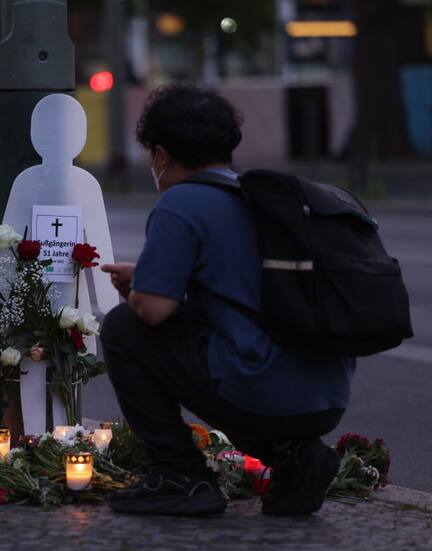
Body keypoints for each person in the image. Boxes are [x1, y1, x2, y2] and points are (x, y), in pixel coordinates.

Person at [100, 84, 354, 517]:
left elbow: (154, 310)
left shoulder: (181, 202)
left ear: (160, 155)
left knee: (123, 327)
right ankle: (297, 459)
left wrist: (138, 291)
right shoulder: (261, 198)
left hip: (261, 392)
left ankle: (180, 474)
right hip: (326, 396)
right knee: (230, 350)